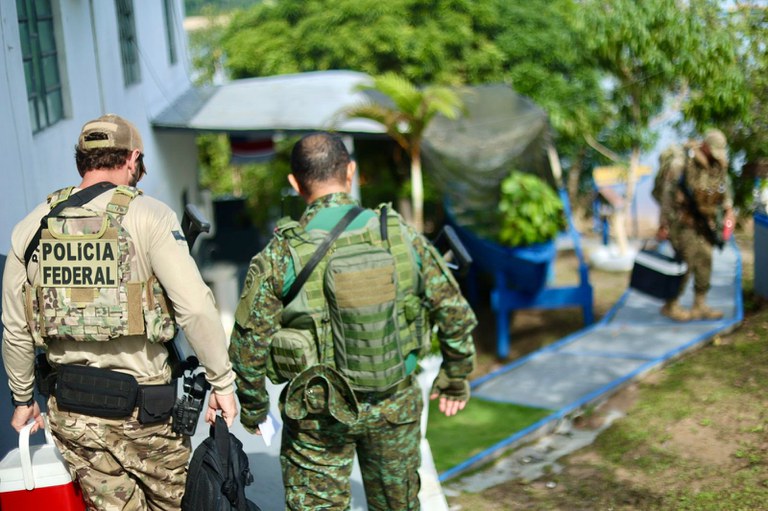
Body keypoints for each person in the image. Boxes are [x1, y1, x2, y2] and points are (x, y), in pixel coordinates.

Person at [229, 132, 477, 510]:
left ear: (295, 182)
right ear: (351, 172)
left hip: (317, 412)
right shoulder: (400, 235)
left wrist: (254, 408)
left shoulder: (282, 252)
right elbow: (455, 313)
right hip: (394, 403)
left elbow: (248, 346)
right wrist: (454, 378)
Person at [1, 114, 238, 510]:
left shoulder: (31, 227)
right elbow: (196, 308)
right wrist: (223, 384)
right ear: (133, 159)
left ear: (82, 160)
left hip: (74, 414)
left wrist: (23, 399)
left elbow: (15, 328)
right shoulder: (149, 216)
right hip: (145, 415)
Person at [656, 128, 734, 321]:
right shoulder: (682, 163)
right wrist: (664, 224)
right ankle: (671, 305)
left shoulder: (718, 165)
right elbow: (667, 195)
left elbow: (724, 190)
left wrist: (728, 211)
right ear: (704, 146)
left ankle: (700, 304)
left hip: (706, 222)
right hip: (683, 221)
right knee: (686, 262)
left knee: (705, 260)